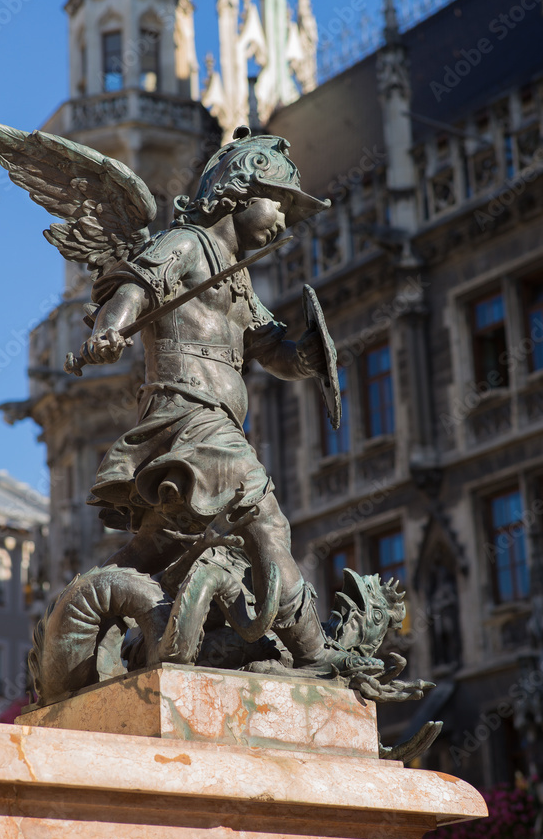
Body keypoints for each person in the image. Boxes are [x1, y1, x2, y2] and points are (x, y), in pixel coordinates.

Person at [81, 127, 351, 671]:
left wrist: (310, 360)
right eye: (279, 203)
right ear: (241, 193)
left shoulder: (241, 280)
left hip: (210, 423)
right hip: (189, 414)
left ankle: (84, 625)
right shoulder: (185, 244)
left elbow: (273, 350)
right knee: (268, 523)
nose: (283, 220)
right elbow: (134, 288)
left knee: (156, 549)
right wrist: (109, 330)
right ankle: (315, 654)